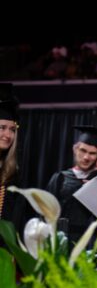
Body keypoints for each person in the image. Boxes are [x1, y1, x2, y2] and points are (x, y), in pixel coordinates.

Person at [46, 125, 97, 244]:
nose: (86, 157)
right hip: (61, 242)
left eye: (92, 153)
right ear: (75, 149)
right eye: (83, 150)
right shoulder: (60, 178)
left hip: (91, 245)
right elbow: (45, 214)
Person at [0, 83, 32, 245]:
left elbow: (18, 219)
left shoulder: (15, 173)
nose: (8, 135)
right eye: (3, 128)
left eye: (12, 129)